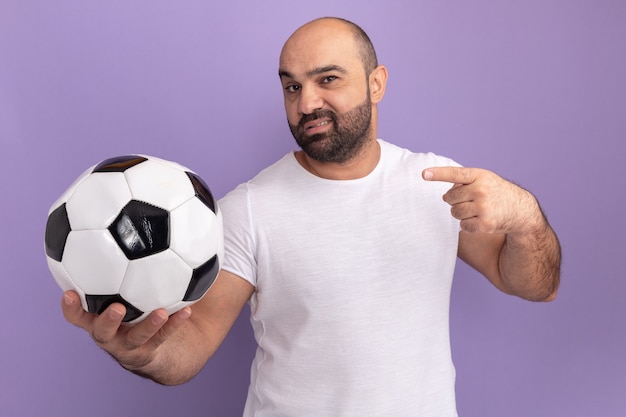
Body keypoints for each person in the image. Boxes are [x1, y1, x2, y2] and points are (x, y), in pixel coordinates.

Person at [62, 16, 561, 416]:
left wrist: (526, 218)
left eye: (327, 80)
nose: (308, 103)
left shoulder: (437, 185)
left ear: (376, 83)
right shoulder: (248, 209)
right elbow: (191, 345)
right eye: (291, 87)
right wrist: (140, 351)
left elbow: (536, 284)